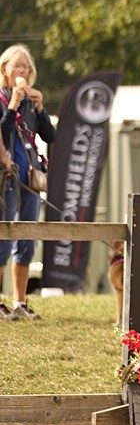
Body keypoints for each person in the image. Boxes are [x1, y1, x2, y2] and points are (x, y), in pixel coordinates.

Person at [0, 44, 56, 320]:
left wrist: (41, 107)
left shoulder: (31, 102)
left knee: (28, 239)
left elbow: (50, 136)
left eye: (25, 67)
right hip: (7, 177)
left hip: (31, 177)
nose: (21, 71)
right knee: (3, 238)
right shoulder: (1, 98)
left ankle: (19, 302)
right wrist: (12, 105)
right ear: (4, 70)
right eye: (16, 66)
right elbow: (3, 129)